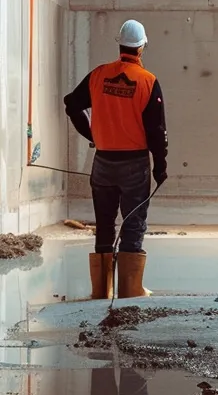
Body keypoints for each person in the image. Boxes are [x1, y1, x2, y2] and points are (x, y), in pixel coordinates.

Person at [64, 19, 168, 300]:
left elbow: (71, 104)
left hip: (103, 163)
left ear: (120, 44)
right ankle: (131, 290)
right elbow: (157, 132)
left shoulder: (99, 75)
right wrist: (161, 165)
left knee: (105, 222)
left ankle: (101, 290)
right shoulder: (147, 82)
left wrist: (92, 135)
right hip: (134, 165)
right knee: (133, 223)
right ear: (142, 47)